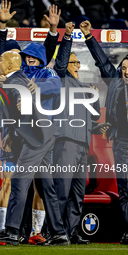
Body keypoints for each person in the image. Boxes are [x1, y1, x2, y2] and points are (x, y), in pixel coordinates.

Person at [0, 1, 61, 245]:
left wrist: (53, 31)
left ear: (39, 61)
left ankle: (20, 231)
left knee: (33, 186)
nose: (29, 62)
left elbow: (55, 83)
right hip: (19, 135)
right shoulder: (14, 77)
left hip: (39, 135)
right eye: (25, 58)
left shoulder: (44, 74)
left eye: (33, 59)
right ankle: (52, 232)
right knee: (23, 183)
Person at [80, 20, 128, 245]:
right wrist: (89, 37)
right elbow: (103, 62)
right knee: (125, 189)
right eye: (124, 69)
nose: (126, 72)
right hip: (121, 144)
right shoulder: (117, 82)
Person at [53, 22, 101, 244]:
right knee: (62, 190)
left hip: (82, 146)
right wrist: (68, 36)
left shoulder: (83, 86)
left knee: (77, 193)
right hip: (66, 143)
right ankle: (57, 231)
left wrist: (94, 97)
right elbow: (61, 64)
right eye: (75, 62)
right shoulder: (62, 80)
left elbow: (94, 117)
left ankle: (72, 231)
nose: (78, 66)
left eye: (79, 62)